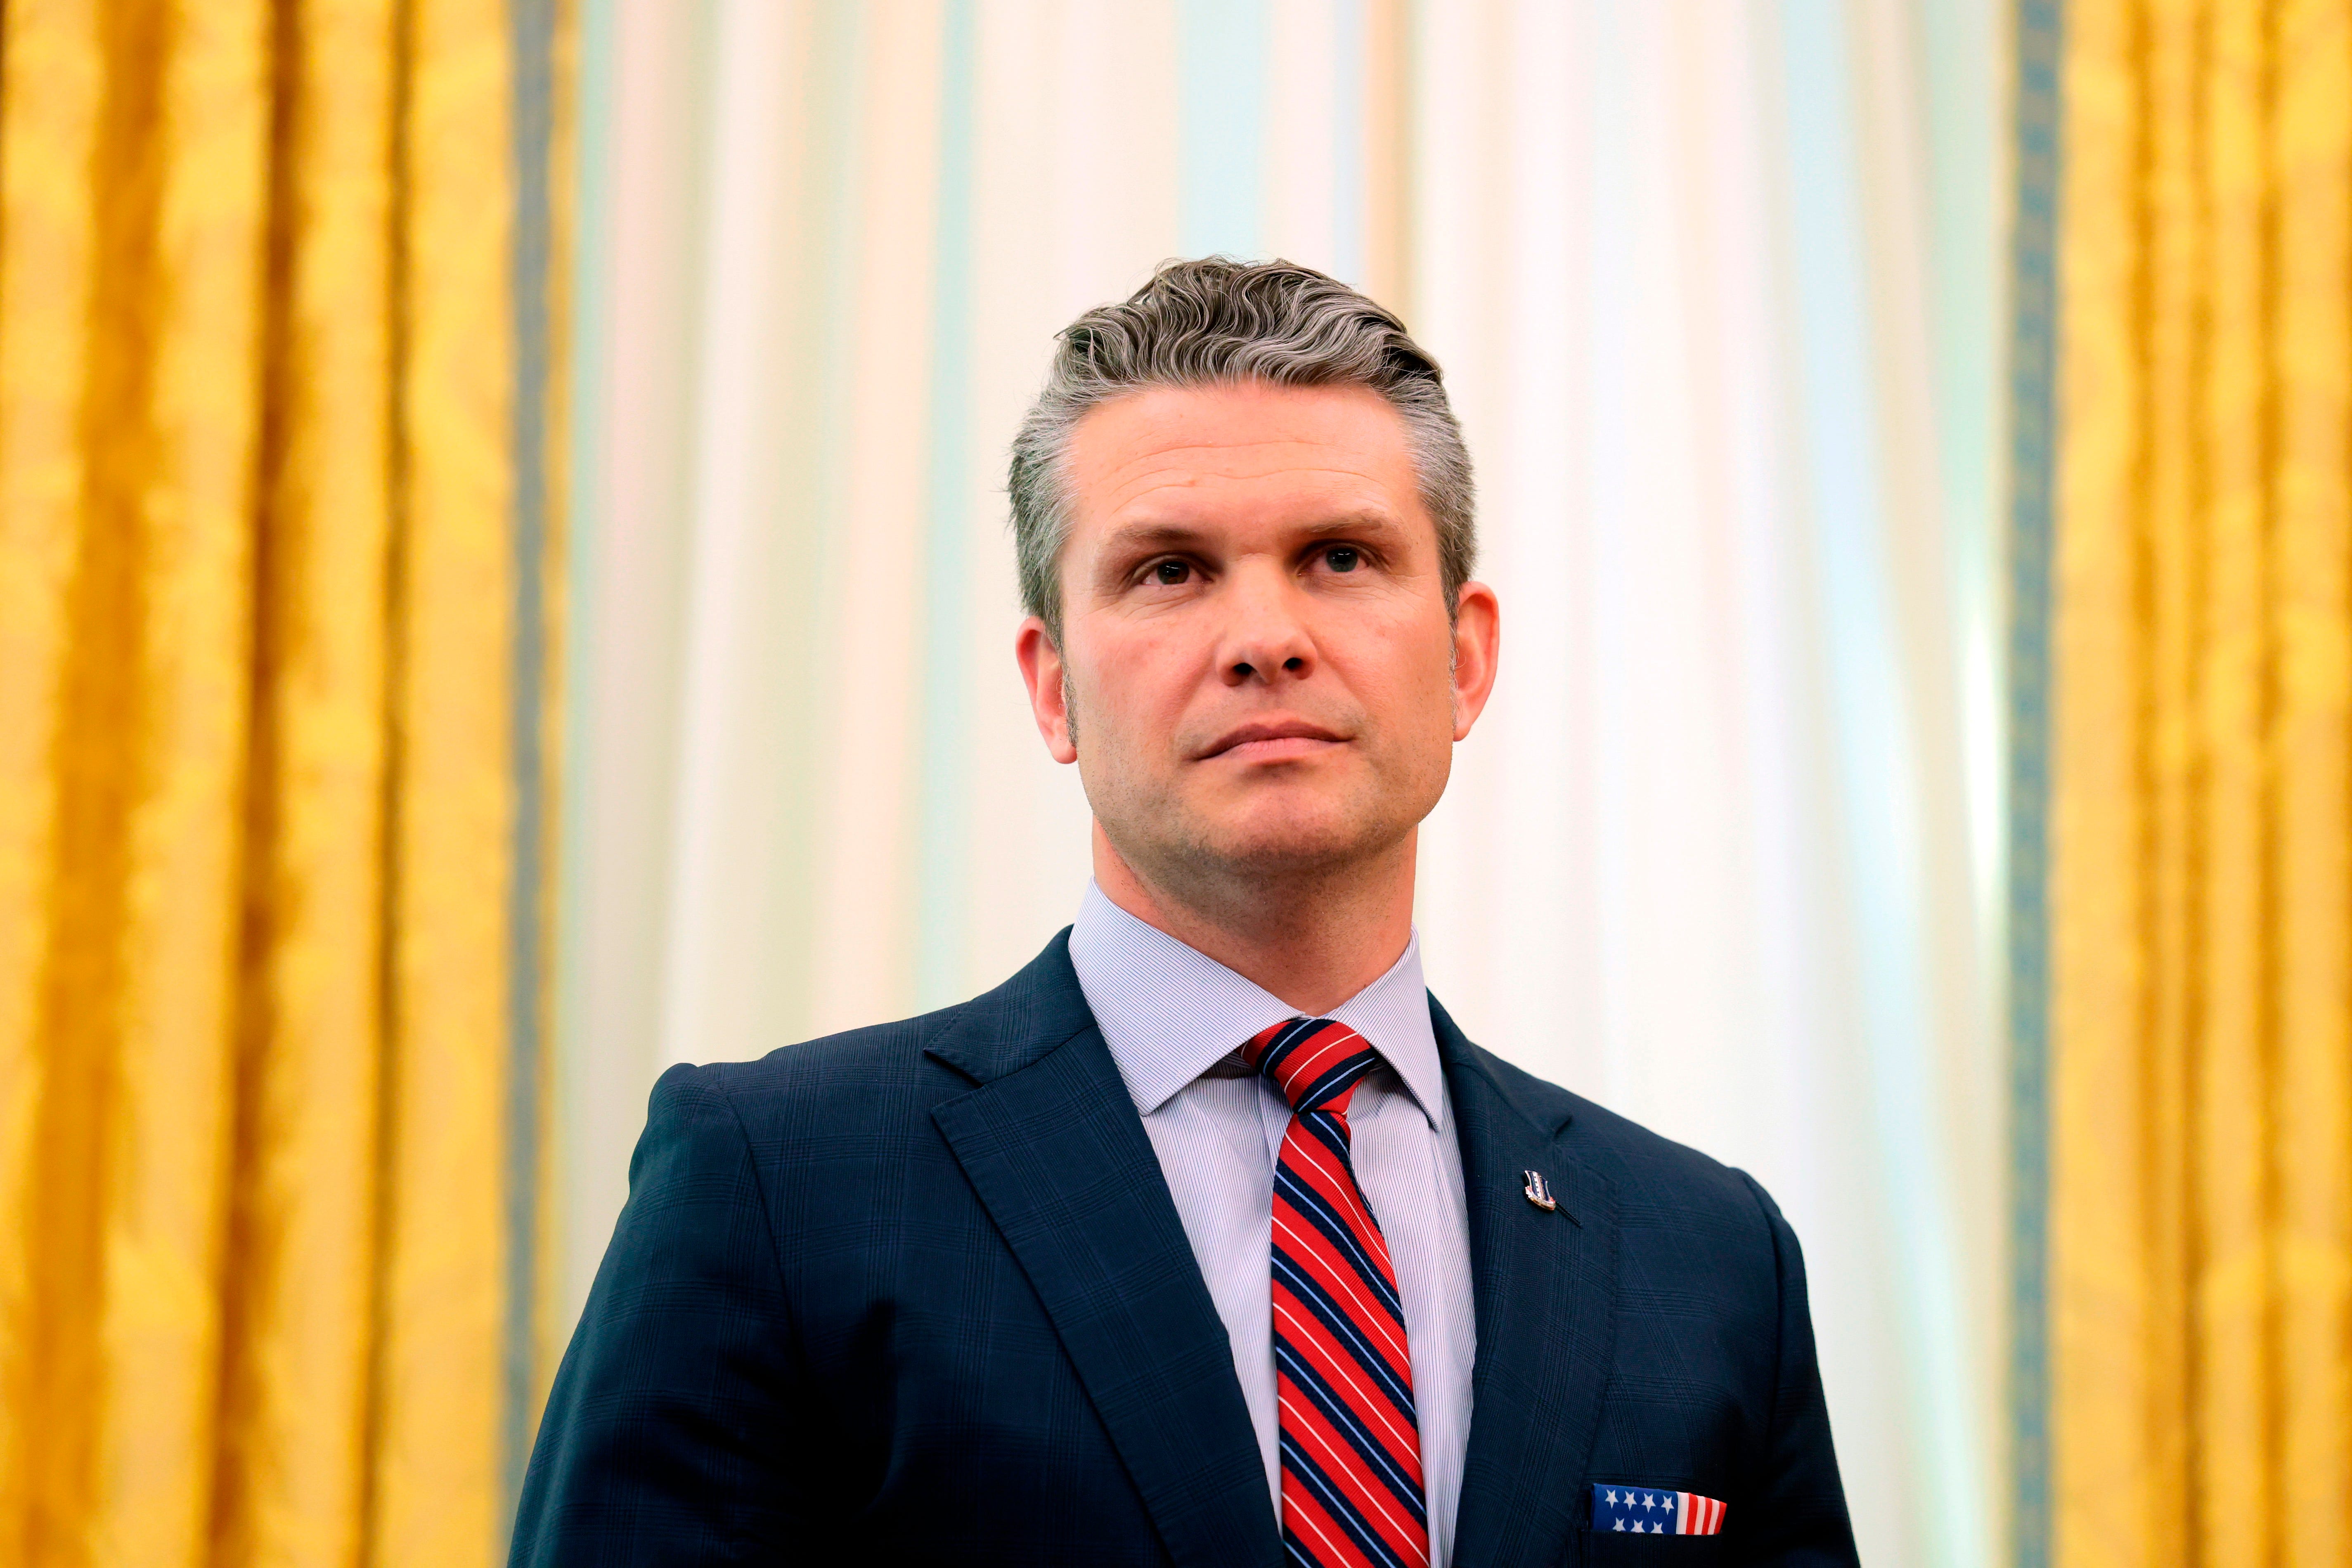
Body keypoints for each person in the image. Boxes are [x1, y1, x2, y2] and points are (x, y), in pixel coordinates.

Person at [511, 259, 1858, 1567]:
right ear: (1053, 688)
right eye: (1168, 571)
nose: (1264, 637)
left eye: (1340, 556)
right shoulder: (776, 1187)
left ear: (1464, 658)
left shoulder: (1709, 1256)